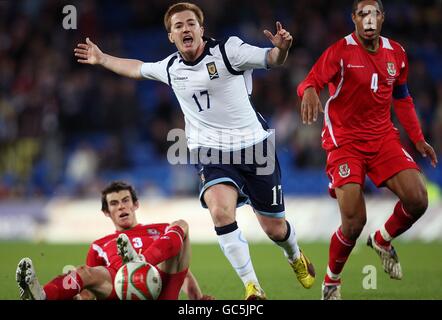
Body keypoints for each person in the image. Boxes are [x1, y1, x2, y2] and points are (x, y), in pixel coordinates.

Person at [73, 2, 315, 300]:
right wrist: (101, 57)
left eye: (190, 23)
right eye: (178, 26)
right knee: (219, 211)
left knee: (275, 229)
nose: (185, 28)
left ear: (202, 29)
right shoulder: (171, 68)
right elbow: (136, 68)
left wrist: (282, 49)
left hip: (255, 149)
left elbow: (272, 58)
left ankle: (294, 255)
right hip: (211, 153)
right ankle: (253, 287)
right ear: (170, 36)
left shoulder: (230, 51)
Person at [297, 0, 438, 300]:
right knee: (353, 222)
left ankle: (383, 239)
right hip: (344, 141)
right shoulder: (340, 51)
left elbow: (402, 97)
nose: (369, 20)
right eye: (363, 14)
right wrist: (309, 91)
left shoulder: (396, 53)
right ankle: (332, 281)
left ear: (382, 18)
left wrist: (417, 139)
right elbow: (311, 80)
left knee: (418, 199)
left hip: (382, 137)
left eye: (374, 14)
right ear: (354, 19)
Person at [16, 181, 213, 300]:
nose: (121, 207)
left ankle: (141, 260)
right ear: (106, 212)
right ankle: (42, 296)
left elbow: (181, 269)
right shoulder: (99, 245)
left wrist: (197, 298)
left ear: (135, 204)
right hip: (121, 290)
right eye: (114, 203)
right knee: (83, 271)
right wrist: (80, 296)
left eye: (126, 200)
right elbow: (91, 291)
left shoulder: (161, 229)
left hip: (161, 287)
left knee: (181, 224)